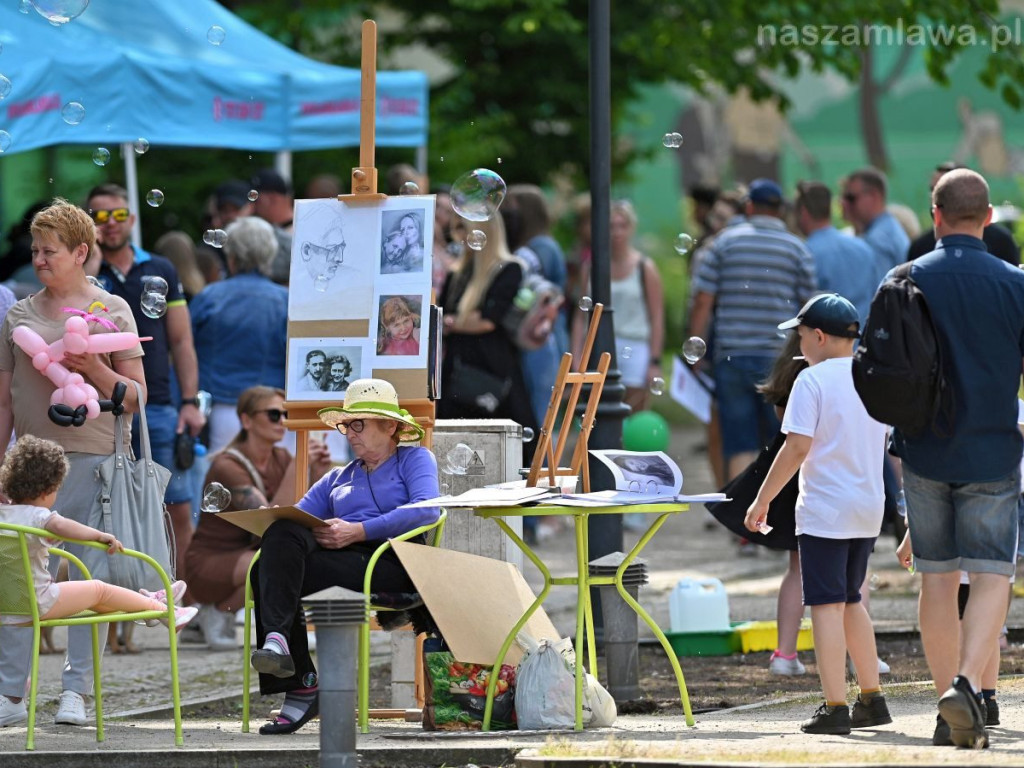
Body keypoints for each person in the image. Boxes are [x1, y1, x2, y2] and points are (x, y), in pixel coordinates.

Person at [0, 198, 147, 728]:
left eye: (50, 250)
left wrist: (94, 368)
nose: (39, 258)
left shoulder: (113, 310)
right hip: (29, 463)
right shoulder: (19, 312)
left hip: (95, 455)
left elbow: (137, 398)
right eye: (36, 250)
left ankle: (76, 692)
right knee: (17, 581)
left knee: (90, 572)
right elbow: (4, 400)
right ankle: (11, 696)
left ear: (81, 251)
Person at [890, 168, 1024, 749]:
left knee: (937, 580)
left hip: (923, 451)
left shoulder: (902, 279)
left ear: (935, 216)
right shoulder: (1016, 284)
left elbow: (880, 375)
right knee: (994, 573)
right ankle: (968, 685)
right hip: (993, 447)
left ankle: (949, 711)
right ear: (989, 218)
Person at [249, 378, 440, 735]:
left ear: (390, 426)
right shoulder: (339, 476)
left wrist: (358, 531)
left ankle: (299, 688)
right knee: (276, 544)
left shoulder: (414, 459)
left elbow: (427, 511)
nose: (349, 433)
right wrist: (273, 520)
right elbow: (299, 522)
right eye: (346, 425)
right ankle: (281, 648)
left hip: (392, 561)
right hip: (340, 561)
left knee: (272, 571)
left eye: (358, 424)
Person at [745, 293, 890, 736]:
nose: (798, 344)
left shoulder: (812, 381)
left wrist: (762, 498)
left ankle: (834, 707)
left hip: (826, 509)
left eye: (802, 335)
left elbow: (797, 447)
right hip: (868, 506)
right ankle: (872, 697)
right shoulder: (874, 378)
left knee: (825, 606)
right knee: (850, 601)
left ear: (820, 337)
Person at [0, 435, 197, 724]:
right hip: (40, 601)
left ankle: (11, 702)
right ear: (49, 489)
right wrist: (99, 535)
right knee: (99, 590)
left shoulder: (4, 516)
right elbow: (63, 526)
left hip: (9, 606)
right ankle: (162, 610)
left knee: (13, 655)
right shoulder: (39, 517)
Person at [89, 184, 207, 599]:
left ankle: (183, 599)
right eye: (99, 217)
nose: (110, 225)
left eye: (117, 215)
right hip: (100, 406)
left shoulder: (160, 268)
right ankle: (121, 598)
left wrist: (189, 402)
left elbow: (181, 342)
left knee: (175, 504)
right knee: (106, 508)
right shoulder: (86, 273)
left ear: (132, 219)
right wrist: (93, 262)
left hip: (155, 402)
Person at [185, 387, 331, 650]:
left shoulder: (281, 457)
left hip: (247, 553)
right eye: (274, 414)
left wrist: (317, 471)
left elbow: (305, 511)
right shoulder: (227, 466)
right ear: (246, 420)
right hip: (210, 562)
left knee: (292, 555)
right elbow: (268, 524)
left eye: (286, 415)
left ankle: (218, 613)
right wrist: (298, 466)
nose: (283, 422)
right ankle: (219, 612)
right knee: (277, 559)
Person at [689, 179, 817, 482]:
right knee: (780, 442)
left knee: (739, 443)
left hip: (732, 354)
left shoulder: (724, 242)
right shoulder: (796, 248)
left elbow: (703, 299)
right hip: (779, 358)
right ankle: (774, 521)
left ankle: (739, 527)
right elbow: (809, 304)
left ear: (749, 207)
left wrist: (695, 350)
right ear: (780, 210)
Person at [707, 331, 807, 675]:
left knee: (798, 568)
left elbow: (784, 423)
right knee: (853, 574)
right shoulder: (848, 375)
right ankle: (861, 656)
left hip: (794, 481)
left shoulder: (795, 374)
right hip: (836, 485)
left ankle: (786, 654)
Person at [438, 214, 538, 467]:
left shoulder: (508, 268)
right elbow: (444, 316)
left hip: (492, 368)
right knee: (454, 441)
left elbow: (487, 320)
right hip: (458, 368)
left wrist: (453, 323)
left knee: (513, 440)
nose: (457, 236)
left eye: (463, 228)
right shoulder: (457, 273)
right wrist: (460, 321)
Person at [190, 217, 289, 453]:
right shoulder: (285, 301)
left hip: (220, 408)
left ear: (230, 255)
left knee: (222, 478)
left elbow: (184, 348)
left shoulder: (210, 297)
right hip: (274, 410)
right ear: (269, 254)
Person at [571, 199, 664, 412]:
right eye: (611, 226)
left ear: (631, 228)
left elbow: (656, 316)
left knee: (632, 411)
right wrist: (576, 356)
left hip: (635, 345)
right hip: (598, 345)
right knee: (597, 411)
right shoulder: (591, 267)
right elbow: (580, 315)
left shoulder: (644, 267)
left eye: (623, 225)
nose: (617, 232)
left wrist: (654, 362)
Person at [794, 181, 877, 326]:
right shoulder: (863, 248)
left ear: (804, 212)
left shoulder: (805, 253)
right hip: (861, 340)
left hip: (824, 344)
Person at [906, 162, 1020, 265]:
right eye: (932, 189)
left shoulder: (1001, 241)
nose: (934, 194)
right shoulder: (920, 246)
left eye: (944, 189)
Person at [840, 168, 909, 284]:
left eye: (851, 198)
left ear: (874, 196)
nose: (845, 204)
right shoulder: (888, 227)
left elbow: (879, 291)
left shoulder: (878, 240)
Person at [249, 169, 294, 285]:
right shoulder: (264, 231)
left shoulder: (302, 231)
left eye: (256, 199)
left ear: (273, 198)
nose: (252, 206)